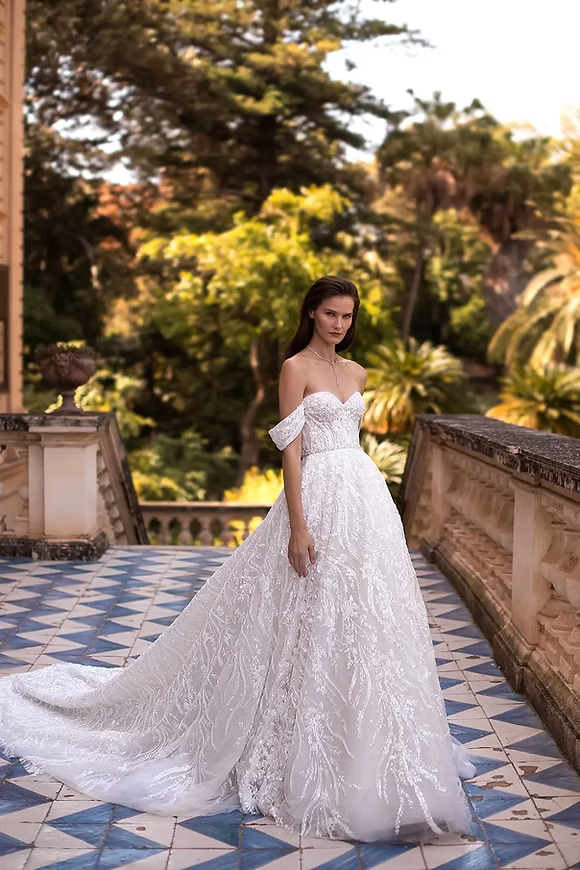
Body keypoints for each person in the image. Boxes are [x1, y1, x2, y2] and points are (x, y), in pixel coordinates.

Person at [0, 275, 475, 843]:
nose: (339, 325)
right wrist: (298, 525)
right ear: (311, 314)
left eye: (347, 316)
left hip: (365, 501)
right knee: (301, 614)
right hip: (317, 498)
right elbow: (292, 453)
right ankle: (295, 743)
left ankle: (370, 745)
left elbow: (352, 442)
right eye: (329, 314)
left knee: (365, 619)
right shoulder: (294, 368)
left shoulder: (359, 374)